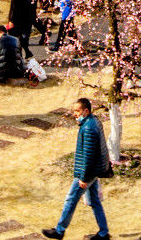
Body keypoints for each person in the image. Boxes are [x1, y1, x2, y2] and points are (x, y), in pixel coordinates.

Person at [42, 98, 110, 240]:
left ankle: (59, 231)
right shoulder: (92, 121)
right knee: (95, 201)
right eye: (74, 111)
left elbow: (88, 156)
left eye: (77, 111)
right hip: (94, 170)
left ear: (86, 111)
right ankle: (103, 233)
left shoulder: (89, 128)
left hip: (87, 173)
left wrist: (84, 178)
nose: (74, 114)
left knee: (71, 199)